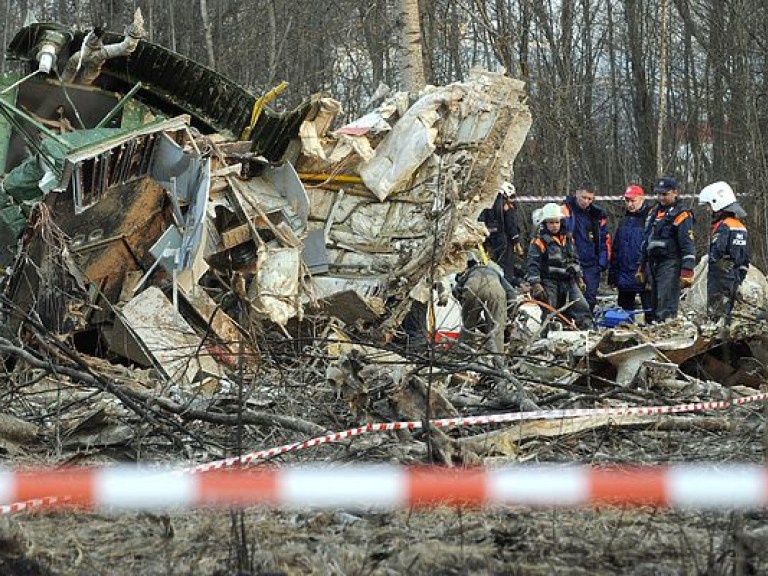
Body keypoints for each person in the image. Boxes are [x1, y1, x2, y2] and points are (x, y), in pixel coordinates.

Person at [636, 176, 695, 322]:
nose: (661, 197)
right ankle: (656, 329)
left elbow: (687, 244)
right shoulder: (653, 212)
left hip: (670, 263)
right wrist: (641, 267)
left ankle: (667, 328)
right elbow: (646, 241)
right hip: (653, 263)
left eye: (665, 194)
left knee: (666, 301)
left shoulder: (682, 214)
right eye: (659, 194)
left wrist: (687, 270)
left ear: (675, 192)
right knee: (653, 302)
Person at [526, 202, 592, 329]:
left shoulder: (568, 238)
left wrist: (579, 277)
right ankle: (546, 338)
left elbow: (574, 259)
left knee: (582, 308)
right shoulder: (539, 241)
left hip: (569, 281)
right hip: (549, 282)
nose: (554, 225)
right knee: (550, 313)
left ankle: (587, 335)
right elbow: (532, 264)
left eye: (557, 222)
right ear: (545, 223)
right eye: (551, 222)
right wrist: (536, 284)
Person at [452, 254, 518, 365]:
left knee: (468, 326)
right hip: (495, 290)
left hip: (471, 287)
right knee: (497, 329)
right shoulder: (494, 271)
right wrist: (509, 316)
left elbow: (456, 291)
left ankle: (464, 359)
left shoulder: (466, 274)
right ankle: (498, 363)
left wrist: (466, 309)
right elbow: (512, 294)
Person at [698, 181, 750, 321]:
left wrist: (715, 263)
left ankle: (718, 340)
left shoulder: (723, 227)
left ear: (717, 203)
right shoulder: (740, 227)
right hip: (734, 278)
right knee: (727, 315)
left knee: (716, 316)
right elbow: (745, 259)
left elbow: (717, 254)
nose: (708, 210)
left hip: (719, 279)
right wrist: (739, 279)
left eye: (708, 206)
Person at [608, 184, 654, 320]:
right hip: (624, 275)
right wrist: (613, 274)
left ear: (642, 199)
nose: (630, 204)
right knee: (624, 315)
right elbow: (616, 249)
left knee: (650, 313)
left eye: (633, 200)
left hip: (644, 274)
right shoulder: (624, 221)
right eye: (627, 200)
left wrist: (650, 274)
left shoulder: (650, 220)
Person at [562, 184, 611, 310]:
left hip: (591, 263)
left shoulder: (597, 215)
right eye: (584, 197)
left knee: (590, 298)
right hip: (571, 261)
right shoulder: (566, 210)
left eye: (590, 199)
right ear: (577, 194)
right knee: (571, 298)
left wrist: (602, 262)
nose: (586, 201)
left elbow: (604, 240)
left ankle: (587, 323)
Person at [478, 182, 525, 285]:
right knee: (506, 266)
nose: (512, 199)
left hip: (489, 240)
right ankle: (506, 288)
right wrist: (517, 242)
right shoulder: (505, 205)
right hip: (504, 240)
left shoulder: (487, 203)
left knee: (492, 265)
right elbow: (511, 224)